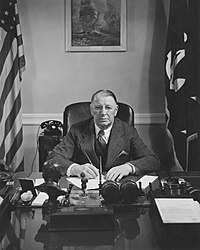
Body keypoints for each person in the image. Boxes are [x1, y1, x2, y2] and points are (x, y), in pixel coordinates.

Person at [47, 89, 160, 181]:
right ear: (91, 110)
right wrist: (76, 169)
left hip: (117, 189)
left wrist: (128, 167)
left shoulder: (128, 131)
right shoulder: (76, 130)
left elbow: (152, 160)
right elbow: (53, 159)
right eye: (98, 108)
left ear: (115, 111)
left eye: (108, 108)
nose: (103, 113)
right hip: (84, 191)